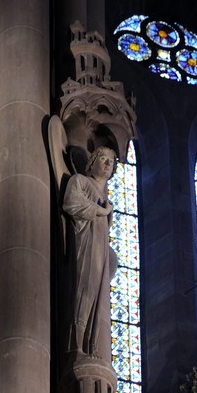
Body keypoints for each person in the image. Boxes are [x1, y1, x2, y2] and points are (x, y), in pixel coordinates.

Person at [63, 145, 117, 357]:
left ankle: (92, 346)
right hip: (86, 246)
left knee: (98, 296)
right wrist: (101, 211)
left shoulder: (106, 199)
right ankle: (76, 344)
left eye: (110, 161)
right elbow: (71, 203)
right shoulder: (81, 181)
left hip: (100, 250)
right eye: (102, 159)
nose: (107, 164)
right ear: (91, 163)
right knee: (85, 289)